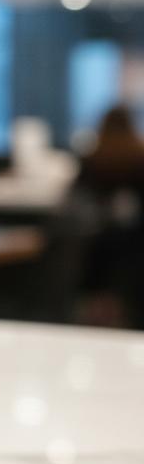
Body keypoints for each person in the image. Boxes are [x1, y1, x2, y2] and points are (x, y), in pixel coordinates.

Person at [73, 105, 144, 327]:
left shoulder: (93, 159)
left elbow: (75, 201)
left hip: (97, 246)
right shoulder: (139, 158)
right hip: (134, 247)